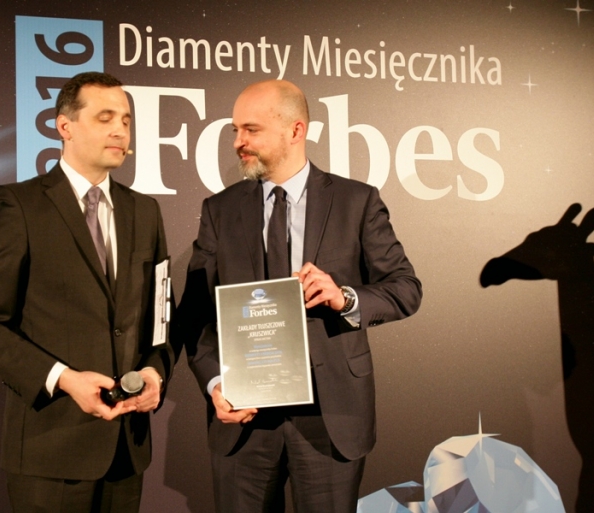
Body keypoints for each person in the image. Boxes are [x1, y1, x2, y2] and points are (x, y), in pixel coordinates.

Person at [176, 79, 422, 513]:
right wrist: (215, 383)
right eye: (235, 130)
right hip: (244, 418)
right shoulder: (220, 210)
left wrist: (345, 298)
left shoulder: (356, 201)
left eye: (251, 130)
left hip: (331, 416)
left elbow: (405, 288)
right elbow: (195, 314)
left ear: (296, 130)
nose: (238, 142)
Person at [0, 72, 172, 512]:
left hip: (126, 452)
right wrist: (64, 379)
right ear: (64, 126)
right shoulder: (19, 205)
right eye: (105, 118)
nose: (120, 131)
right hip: (50, 450)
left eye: (126, 120)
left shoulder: (145, 211)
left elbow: (160, 317)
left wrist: (154, 373)